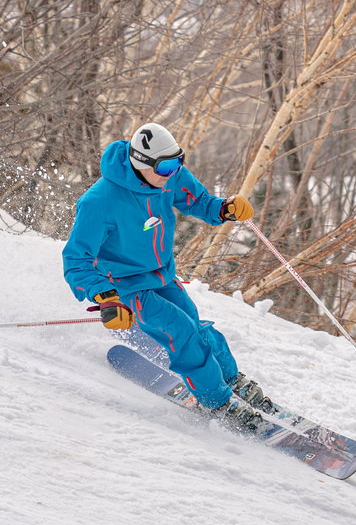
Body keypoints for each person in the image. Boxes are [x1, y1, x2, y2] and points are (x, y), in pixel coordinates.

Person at [62, 122, 272, 431]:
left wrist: (225, 208)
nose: (174, 171)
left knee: (199, 327)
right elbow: (76, 260)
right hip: (127, 286)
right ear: (141, 163)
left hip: (162, 276)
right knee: (181, 331)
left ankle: (228, 378)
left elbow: (199, 202)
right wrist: (105, 298)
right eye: (167, 166)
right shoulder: (100, 202)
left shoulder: (168, 178)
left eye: (179, 161)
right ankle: (217, 400)